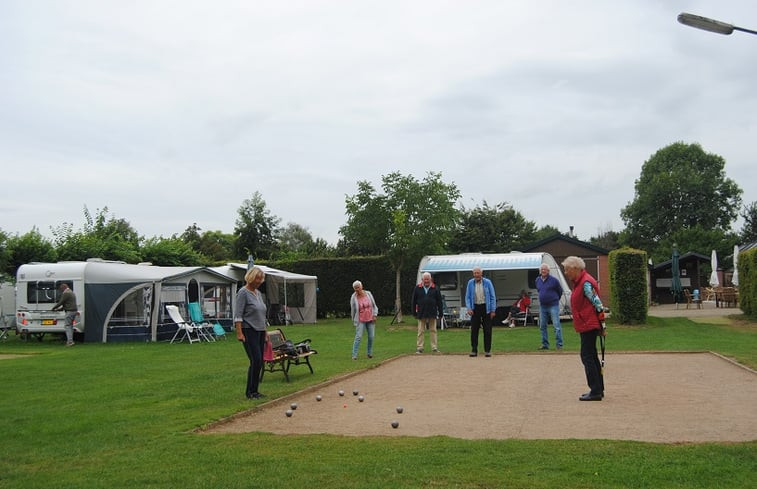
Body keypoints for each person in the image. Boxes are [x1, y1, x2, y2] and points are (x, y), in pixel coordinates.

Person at [562, 256, 606, 401]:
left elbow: (598, 303)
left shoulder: (586, 283)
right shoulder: (580, 282)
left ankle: (595, 391)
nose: (566, 272)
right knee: (591, 355)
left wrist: (602, 325)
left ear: (575, 269)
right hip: (587, 323)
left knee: (587, 356)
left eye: (567, 269)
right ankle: (598, 388)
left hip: (589, 323)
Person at [234, 266, 268, 400]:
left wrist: (265, 332)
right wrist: (239, 333)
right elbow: (238, 315)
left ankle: (255, 391)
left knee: (259, 361)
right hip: (249, 330)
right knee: (256, 360)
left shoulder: (258, 293)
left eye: (261, 279)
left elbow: (262, 314)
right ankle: (250, 392)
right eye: (258, 279)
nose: (259, 282)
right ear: (251, 278)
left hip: (260, 330)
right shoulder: (243, 292)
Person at [465, 266, 497, 357]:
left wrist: (493, 310)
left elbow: (492, 297)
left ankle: (487, 350)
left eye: (478, 273)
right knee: (474, 330)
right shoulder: (470, 283)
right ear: (473, 274)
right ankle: (474, 350)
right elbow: (467, 297)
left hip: (486, 308)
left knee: (487, 330)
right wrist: (469, 308)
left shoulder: (488, 282)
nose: (476, 275)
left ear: (481, 273)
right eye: (475, 273)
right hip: (475, 308)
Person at [411, 272, 444, 354]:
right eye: (425, 279)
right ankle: (420, 348)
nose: (426, 281)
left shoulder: (435, 288)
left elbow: (439, 301)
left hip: (432, 312)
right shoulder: (417, 288)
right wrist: (414, 312)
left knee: (433, 330)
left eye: (428, 279)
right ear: (422, 280)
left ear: (430, 279)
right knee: (421, 331)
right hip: (421, 312)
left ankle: (434, 347)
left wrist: (441, 313)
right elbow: (413, 301)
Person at [535, 264, 564, 350]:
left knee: (556, 325)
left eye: (545, 269)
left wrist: (555, 299)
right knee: (542, 325)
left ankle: (559, 344)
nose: (543, 271)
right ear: (540, 271)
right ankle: (545, 344)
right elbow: (539, 290)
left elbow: (560, 291)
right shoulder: (537, 280)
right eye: (542, 269)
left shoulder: (554, 280)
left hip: (553, 305)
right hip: (543, 306)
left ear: (548, 271)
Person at [350, 280, 378, 360]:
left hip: (370, 318)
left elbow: (374, 305)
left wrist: (375, 315)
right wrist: (354, 320)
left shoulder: (368, 294)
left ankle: (369, 353)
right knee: (358, 336)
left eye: (358, 287)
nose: (357, 289)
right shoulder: (353, 297)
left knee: (371, 336)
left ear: (361, 286)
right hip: (360, 319)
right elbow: (353, 310)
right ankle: (354, 355)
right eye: (355, 288)